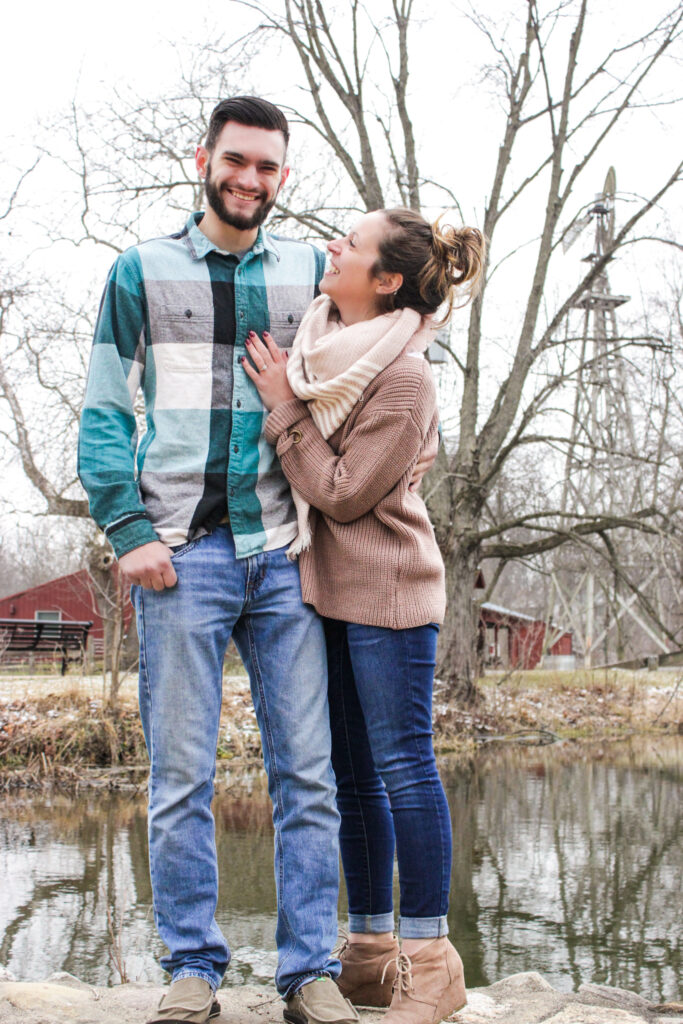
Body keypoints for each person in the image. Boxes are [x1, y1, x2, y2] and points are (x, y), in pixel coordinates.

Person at [78, 97, 359, 1024]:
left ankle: (308, 968)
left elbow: (371, 376)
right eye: (235, 161)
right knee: (181, 777)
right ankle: (193, 963)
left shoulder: (316, 272)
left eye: (267, 167)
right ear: (204, 158)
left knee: (307, 775)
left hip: (287, 557)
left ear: (284, 175)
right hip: (182, 556)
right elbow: (106, 408)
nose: (248, 180)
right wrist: (127, 530)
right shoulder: (139, 271)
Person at [242, 207, 485, 1024]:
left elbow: (343, 493)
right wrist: (294, 397)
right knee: (351, 779)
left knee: (405, 769)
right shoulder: (325, 347)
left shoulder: (404, 376)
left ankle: (430, 961)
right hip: (328, 593)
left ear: (385, 280)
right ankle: (371, 953)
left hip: (388, 596)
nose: (332, 246)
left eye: (351, 242)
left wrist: (283, 410)